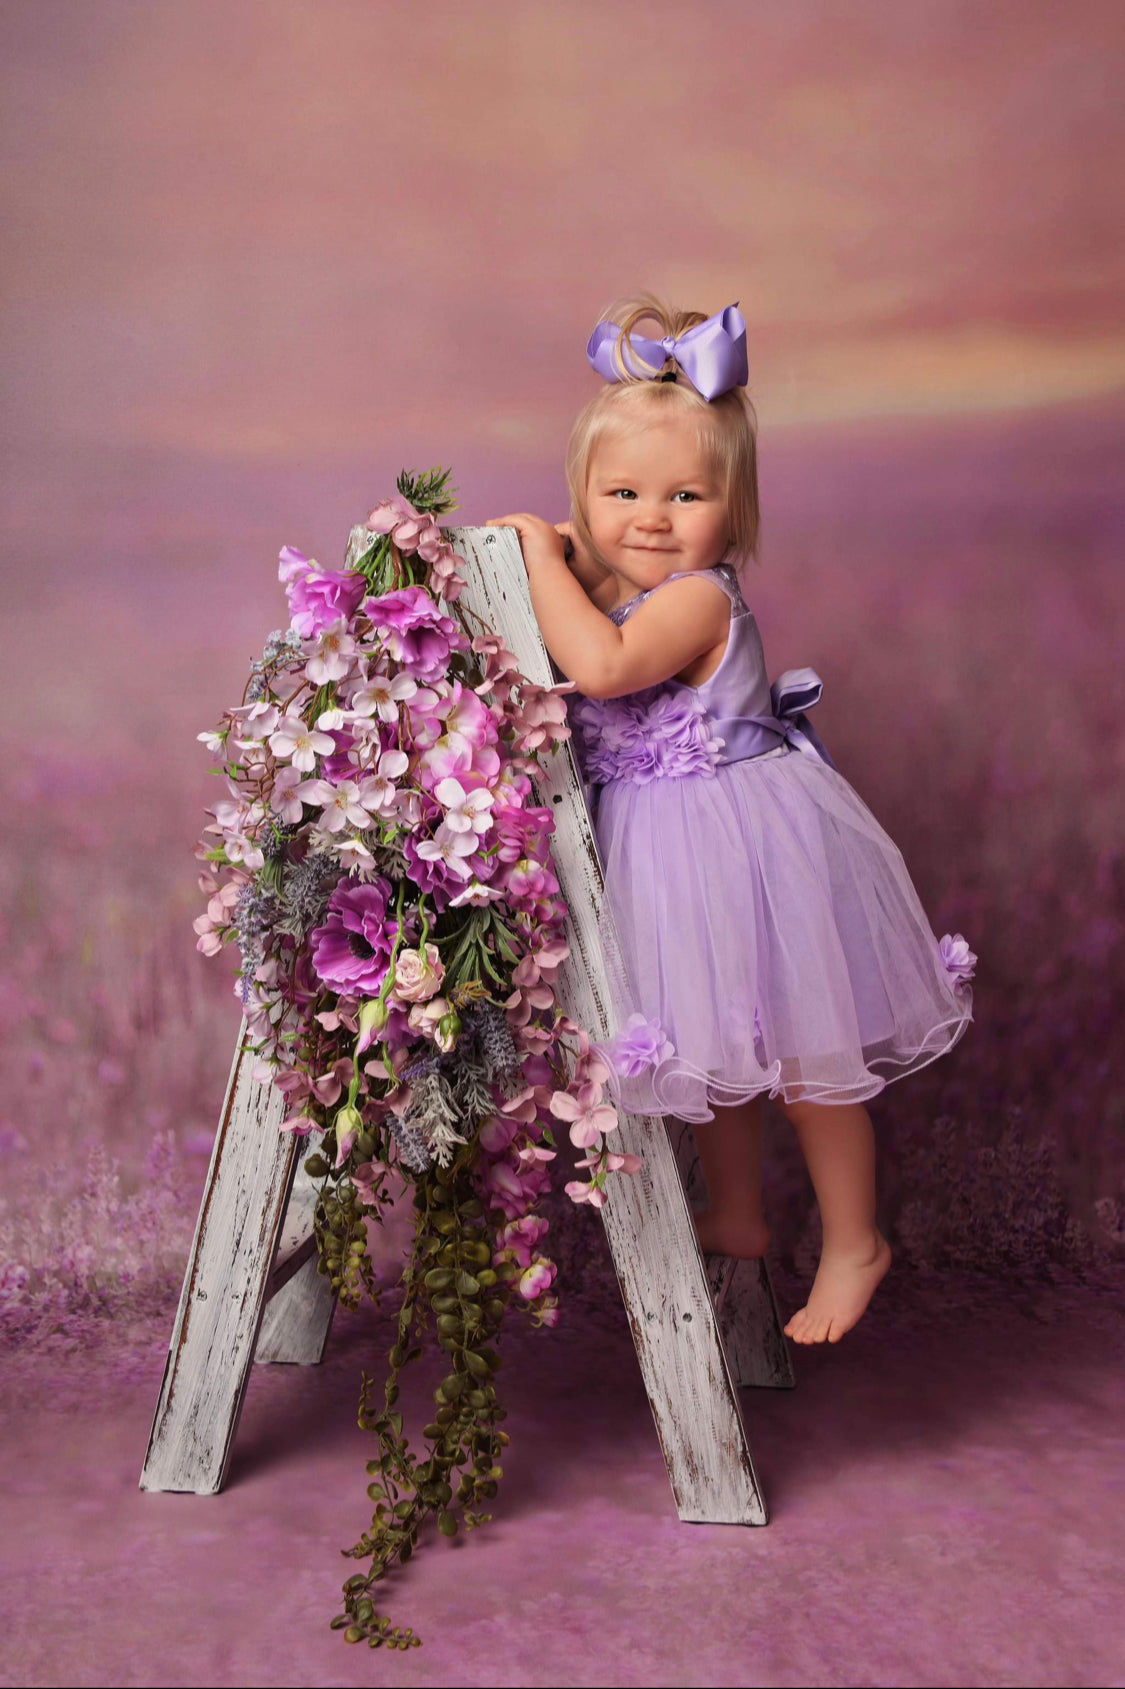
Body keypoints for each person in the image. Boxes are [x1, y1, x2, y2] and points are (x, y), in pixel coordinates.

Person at [486, 292, 974, 1344]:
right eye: (621, 493)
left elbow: (605, 666)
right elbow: (589, 593)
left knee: (804, 1060)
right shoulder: (618, 575)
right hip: (662, 854)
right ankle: (740, 1212)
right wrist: (562, 553)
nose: (652, 517)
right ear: (585, 492)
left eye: (686, 495)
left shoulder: (698, 597)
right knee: (715, 1052)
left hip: (748, 846)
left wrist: (538, 555)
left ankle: (856, 1240)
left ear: (734, 509)